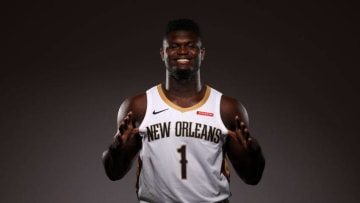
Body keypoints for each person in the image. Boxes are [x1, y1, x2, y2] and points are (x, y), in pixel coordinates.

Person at [102, 18, 265, 203]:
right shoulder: (139, 106)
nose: (182, 51)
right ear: (163, 53)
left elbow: (252, 177)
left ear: (202, 53)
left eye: (190, 46)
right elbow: (113, 173)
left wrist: (255, 153)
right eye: (173, 46)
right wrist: (115, 150)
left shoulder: (226, 108)